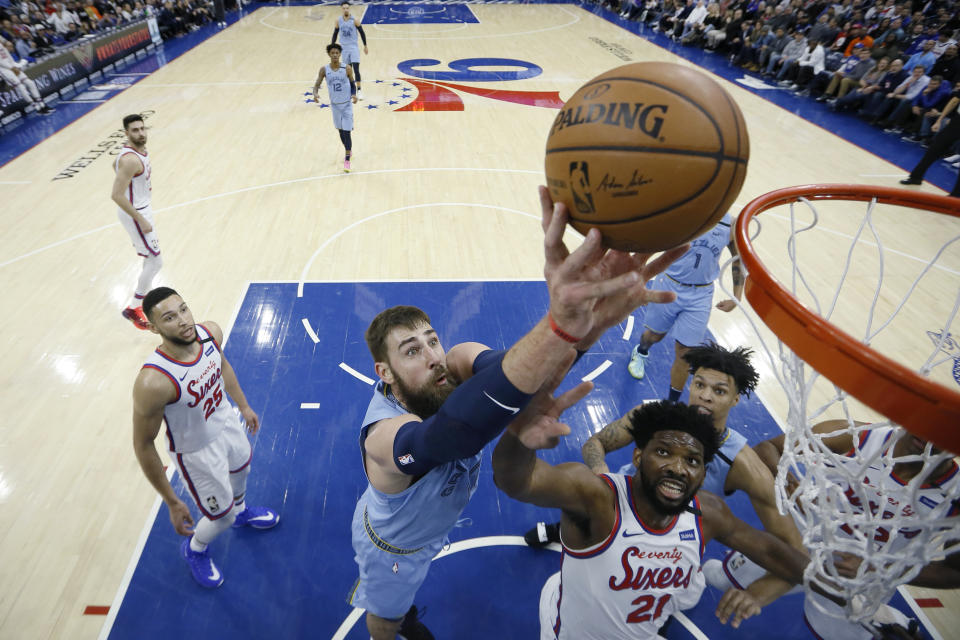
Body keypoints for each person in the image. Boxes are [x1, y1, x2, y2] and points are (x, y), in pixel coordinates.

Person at [347, 186, 689, 640]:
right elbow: (450, 436)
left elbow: (521, 380)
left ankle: (403, 609)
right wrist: (560, 324)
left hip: (430, 527)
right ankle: (394, 624)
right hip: (395, 549)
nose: (432, 355)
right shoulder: (383, 436)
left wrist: (586, 330)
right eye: (412, 351)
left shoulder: (455, 364)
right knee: (385, 615)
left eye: (432, 339)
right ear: (384, 373)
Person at [493, 399, 812, 639]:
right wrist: (518, 437)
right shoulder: (597, 498)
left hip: (643, 624)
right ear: (637, 456)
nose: (678, 467)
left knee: (686, 589)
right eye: (663, 452)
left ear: (702, 473)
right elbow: (516, 481)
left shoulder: (709, 513)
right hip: (574, 632)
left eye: (692, 460)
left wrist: (839, 584)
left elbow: (775, 554)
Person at [527, 344, 803, 571]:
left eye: (719, 391)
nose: (704, 396)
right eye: (699, 385)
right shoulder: (653, 414)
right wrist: (603, 477)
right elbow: (595, 442)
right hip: (619, 506)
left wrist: (759, 591)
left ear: (735, 399)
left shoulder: (743, 464)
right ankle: (564, 530)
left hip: (671, 539)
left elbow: (790, 545)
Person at [706, 419, 960, 639]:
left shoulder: (955, 495)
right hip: (800, 542)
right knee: (720, 579)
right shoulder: (857, 435)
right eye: (927, 424)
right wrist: (791, 484)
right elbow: (768, 448)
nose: (929, 435)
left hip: (862, 579)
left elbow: (954, 572)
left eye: (945, 434)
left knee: (831, 632)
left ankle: (894, 620)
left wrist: (882, 567)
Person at [132, 287, 279, 588]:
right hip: (196, 452)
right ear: (153, 327)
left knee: (243, 470)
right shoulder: (153, 382)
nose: (183, 321)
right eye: (170, 318)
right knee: (219, 518)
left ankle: (240, 512)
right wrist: (171, 502)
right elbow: (143, 444)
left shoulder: (210, 334)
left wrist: (244, 405)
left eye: (184, 309)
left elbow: (222, 366)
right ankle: (195, 548)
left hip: (226, 423)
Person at [626, 213, 742, 400]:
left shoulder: (730, 224)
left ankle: (671, 404)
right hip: (669, 284)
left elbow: (737, 258)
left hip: (701, 295)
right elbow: (651, 243)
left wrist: (737, 296)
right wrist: (641, 279)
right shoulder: (684, 213)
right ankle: (641, 351)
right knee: (654, 335)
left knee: (686, 353)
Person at [111, 114, 163, 330]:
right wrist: (140, 219)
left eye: (142, 129)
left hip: (140, 210)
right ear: (126, 133)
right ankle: (135, 307)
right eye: (135, 130)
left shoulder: (134, 152)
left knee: (149, 259)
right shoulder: (130, 160)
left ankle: (145, 300)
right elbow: (116, 194)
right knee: (156, 261)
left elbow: (114, 165)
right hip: (136, 214)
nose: (141, 133)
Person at [900, 94, 960, 197]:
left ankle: (956, 195)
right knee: (934, 149)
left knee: (935, 149)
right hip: (957, 121)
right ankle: (916, 177)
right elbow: (954, 100)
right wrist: (940, 120)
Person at [313, 43, 358, 173]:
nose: (334, 55)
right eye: (332, 53)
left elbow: (352, 84)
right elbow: (317, 84)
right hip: (335, 106)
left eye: (337, 53)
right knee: (340, 131)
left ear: (340, 54)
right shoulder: (324, 70)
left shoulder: (347, 68)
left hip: (347, 105)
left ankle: (347, 160)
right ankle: (348, 151)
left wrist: (354, 94)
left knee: (347, 132)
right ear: (329, 54)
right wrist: (315, 93)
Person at [0, 37, 51, 114]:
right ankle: (37, 108)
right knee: (21, 87)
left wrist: (16, 65)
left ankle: (42, 105)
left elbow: (9, 58)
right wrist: (12, 68)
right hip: (5, 70)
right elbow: (1, 62)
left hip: (12, 66)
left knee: (30, 83)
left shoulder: (1, 44)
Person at [331, 1, 367, 99]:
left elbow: (362, 33)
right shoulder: (338, 21)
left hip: (353, 48)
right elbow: (335, 33)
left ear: (349, 9)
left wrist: (365, 45)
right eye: (344, 8)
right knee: (347, 71)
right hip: (344, 49)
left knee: (356, 69)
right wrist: (332, 46)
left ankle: (359, 91)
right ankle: (351, 91)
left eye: (347, 8)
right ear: (341, 9)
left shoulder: (355, 20)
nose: (346, 10)